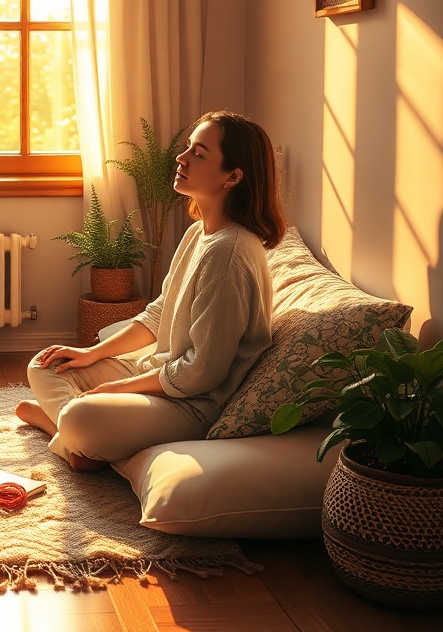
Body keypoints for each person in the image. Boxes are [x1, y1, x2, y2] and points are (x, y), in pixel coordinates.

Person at [17, 110, 286, 471]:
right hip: (156, 372)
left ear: (232, 176)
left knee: (83, 416)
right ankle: (70, 438)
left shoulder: (230, 253)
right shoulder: (198, 235)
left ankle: (68, 431)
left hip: (190, 404)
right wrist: (91, 355)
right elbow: (158, 315)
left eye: (199, 153)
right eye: (188, 147)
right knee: (47, 364)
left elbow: (202, 373)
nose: (181, 157)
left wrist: (116, 390)